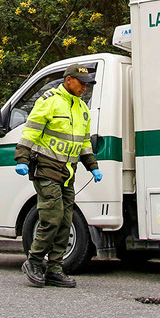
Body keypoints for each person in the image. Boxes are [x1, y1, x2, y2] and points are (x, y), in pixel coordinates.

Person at [14, 64, 102, 288]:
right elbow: (31, 131)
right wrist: (22, 158)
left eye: (87, 84)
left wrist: (92, 166)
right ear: (68, 80)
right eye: (81, 83)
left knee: (65, 221)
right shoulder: (50, 101)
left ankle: (54, 269)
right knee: (52, 217)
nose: (84, 88)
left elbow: (84, 142)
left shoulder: (82, 109)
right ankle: (34, 262)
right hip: (46, 169)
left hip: (67, 173)